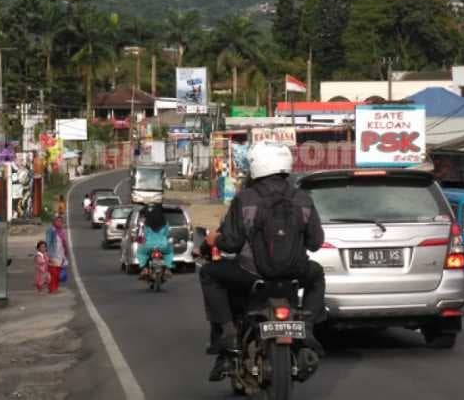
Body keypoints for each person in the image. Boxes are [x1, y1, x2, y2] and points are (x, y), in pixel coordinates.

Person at [199, 140, 326, 381]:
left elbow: (232, 243)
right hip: (293, 274)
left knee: (208, 273)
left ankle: (228, 332)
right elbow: (316, 242)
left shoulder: (245, 198)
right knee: (317, 275)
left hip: (251, 275)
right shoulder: (302, 198)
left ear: (256, 165)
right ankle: (308, 325)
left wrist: (215, 240)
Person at [136, 203, 174, 279]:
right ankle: (167, 268)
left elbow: (142, 235)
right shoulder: (165, 223)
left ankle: (144, 269)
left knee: (140, 252)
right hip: (163, 246)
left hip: (149, 246)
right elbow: (168, 234)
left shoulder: (146, 223)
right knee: (169, 252)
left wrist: (140, 241)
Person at [45, 216, 69, 294]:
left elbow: (64, 242)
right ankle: (52, 288)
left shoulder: (62, 231)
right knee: (53, 272)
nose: (59, 223)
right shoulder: (51, 230)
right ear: (53, 222)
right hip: (53, 254)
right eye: (57, 221)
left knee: (58, 273)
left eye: (60, 221)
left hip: (60, 254)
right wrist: (47, 254)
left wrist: (66, 251)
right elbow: (48, 242)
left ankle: (55, 287)